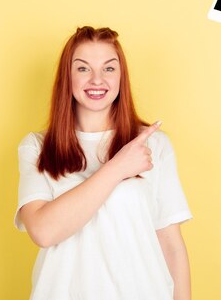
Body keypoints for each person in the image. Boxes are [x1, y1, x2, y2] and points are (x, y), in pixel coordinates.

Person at [15, 26, 192, 300]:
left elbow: (171, 244)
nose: (97, 80)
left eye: (109, 69)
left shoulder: (154, 145)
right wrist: (118, 168)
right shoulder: (37, 147)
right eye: (83, 69)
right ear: (68, 77)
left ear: (121, 77)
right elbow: (44, 232)